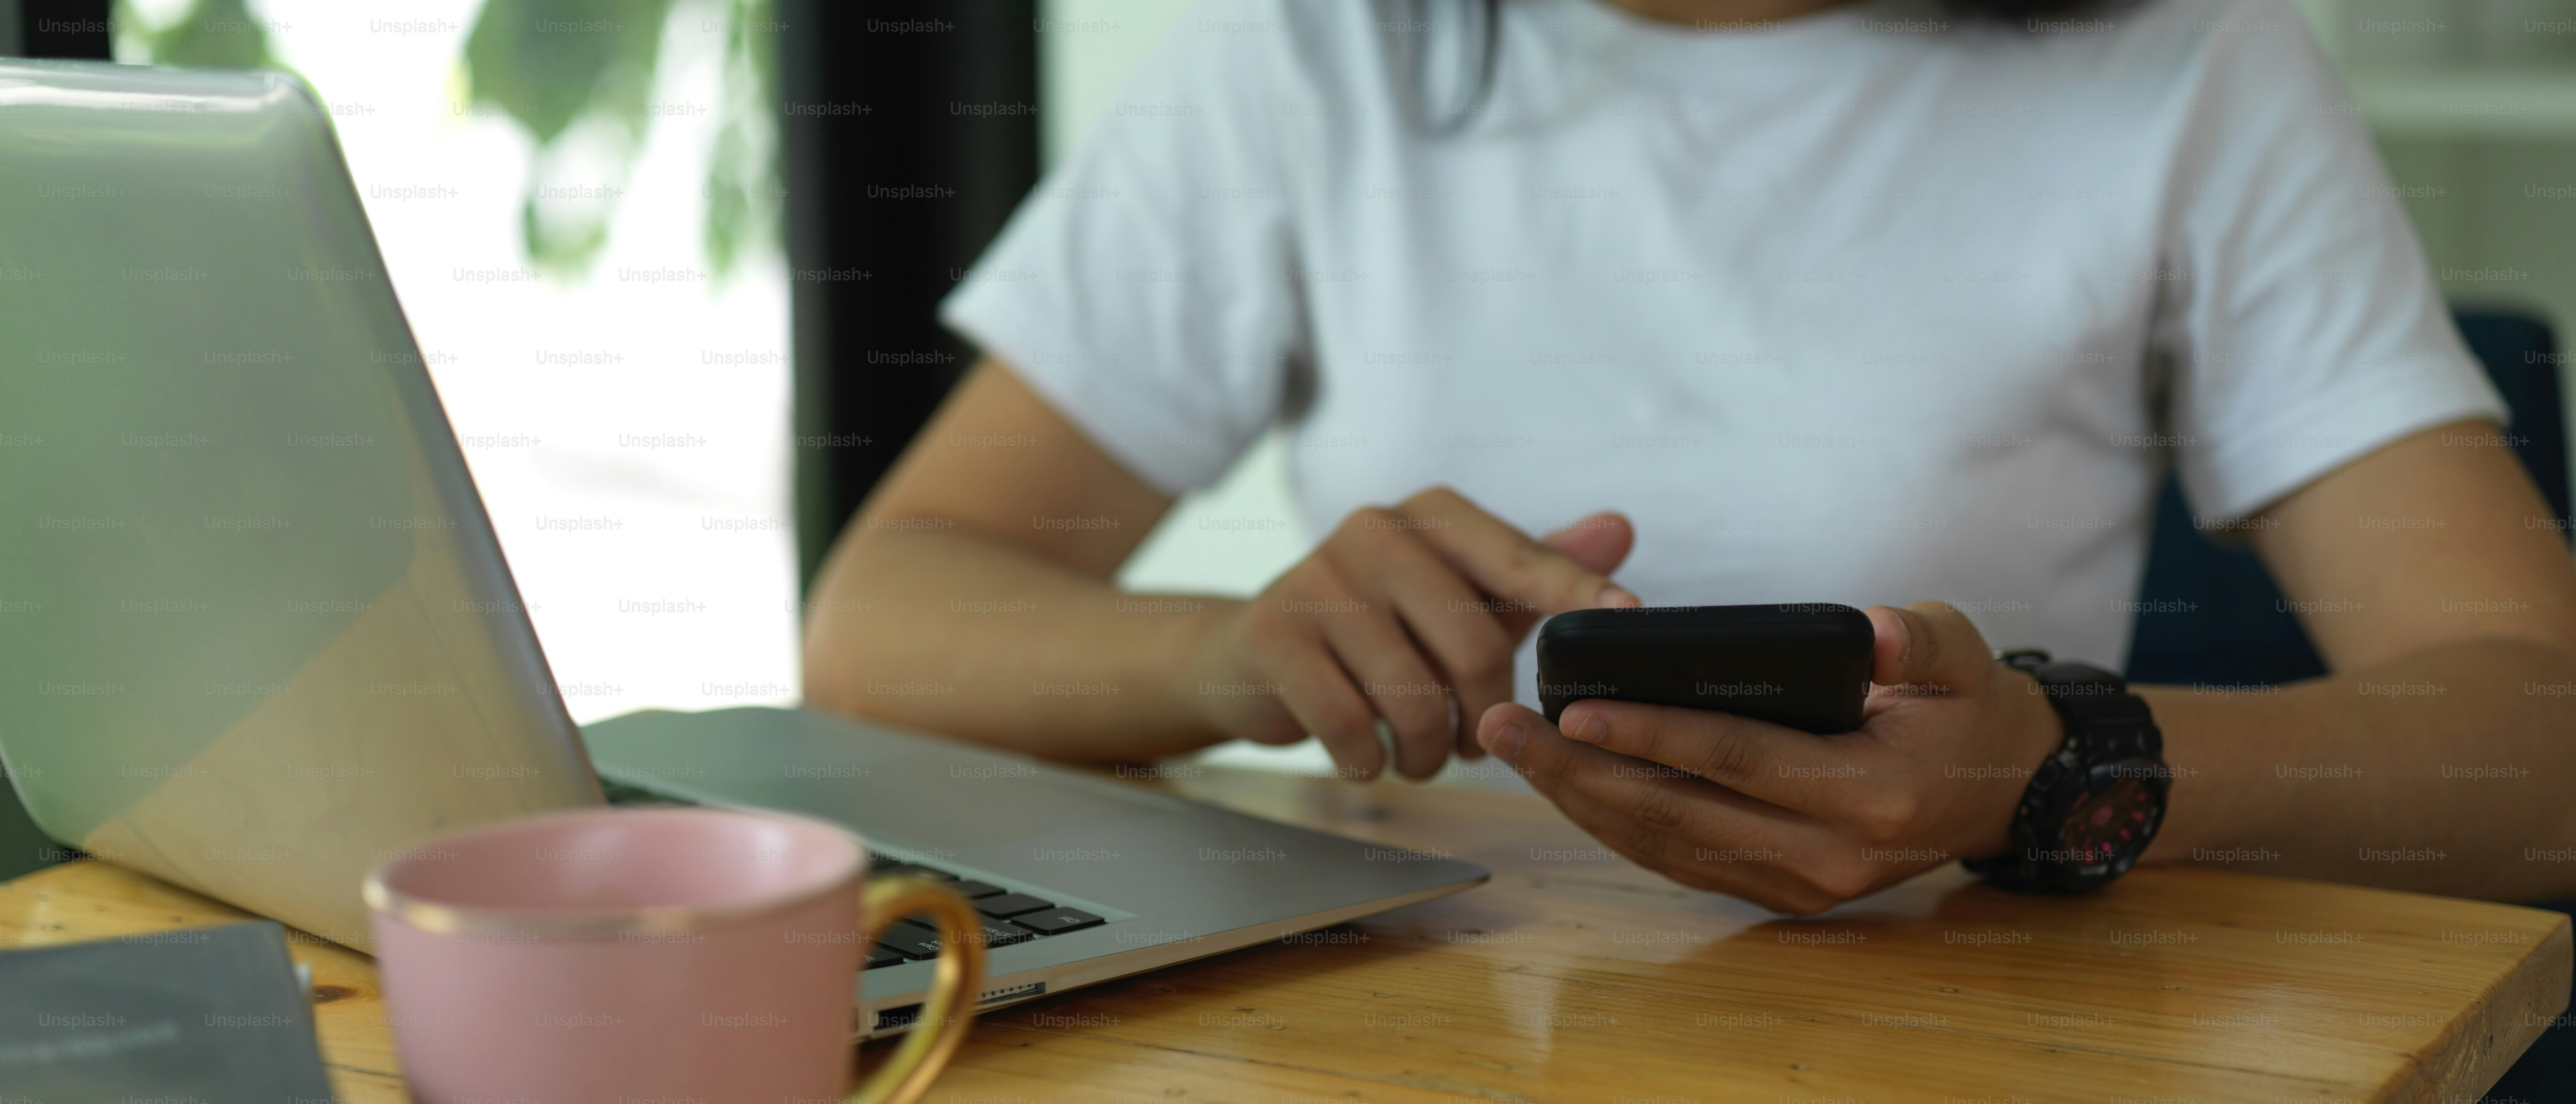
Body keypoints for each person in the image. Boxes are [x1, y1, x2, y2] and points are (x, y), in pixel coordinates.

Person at [801, 0, 2576, 917]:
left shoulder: (2190, 58)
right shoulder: (1318, 45)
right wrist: (1227, 657)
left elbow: (2544, 744)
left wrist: (2059, 770)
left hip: (1957, 1029)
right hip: (1417, 1015)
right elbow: (882, 623)